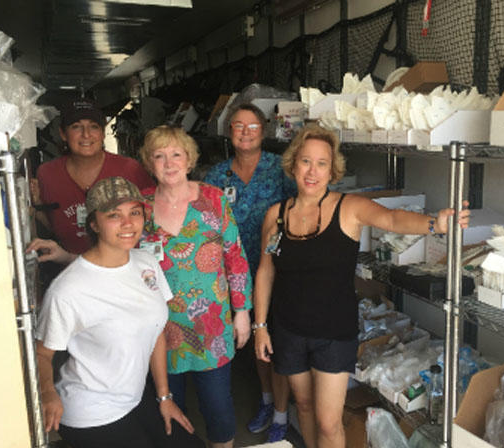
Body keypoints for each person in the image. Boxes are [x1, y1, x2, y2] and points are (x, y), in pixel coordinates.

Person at [252, 124, 471, 448]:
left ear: (333, 170)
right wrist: (260, 326)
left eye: (321, 163)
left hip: (333, 333)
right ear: (293, 164)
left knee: (329, 422)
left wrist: (434, 224)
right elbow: (265, 272)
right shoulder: (276, 216)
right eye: (306, 161)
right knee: (306, 407)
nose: (312, 171)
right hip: (289, 330)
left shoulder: (348, 208)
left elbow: (393, 219)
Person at [34, 176, 203, 448]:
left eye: (135, 212)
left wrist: (164, 397)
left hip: (135, 398)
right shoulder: (69, 289)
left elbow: (156, 330)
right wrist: (47, 392)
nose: (128, 223)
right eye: (114, 215)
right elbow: (42, 353)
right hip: (92, 411)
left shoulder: (146, 263)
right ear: (93, 223)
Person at [138, 125, 252, 448]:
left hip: (211, 326)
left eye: (176, 154)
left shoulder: (214, 200)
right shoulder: (140, 207)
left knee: (218, 406)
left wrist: (242, 312)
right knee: (170, 409)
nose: (169, 163)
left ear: (189, 160)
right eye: (159, 156)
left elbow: (236, 258)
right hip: (159, 328)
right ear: (149, 163)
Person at [203, 103, 296, 443]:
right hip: (231, 276)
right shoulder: (216, 177)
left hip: (276, 270)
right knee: (254, 343)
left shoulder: (282, 170)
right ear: (229, 132)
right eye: (238, 125)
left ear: (264, 131)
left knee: (277, 343)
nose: (245, 131)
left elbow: (298, 214)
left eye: (253, 126)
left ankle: (282, 416)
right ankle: (266, 401)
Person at [28, 98, 154, 264]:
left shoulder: (130, 169)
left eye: (94, 126)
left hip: (126, 270)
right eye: (76, 127)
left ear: (102, 133)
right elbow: (55, 226)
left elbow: (152, 224)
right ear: (63, 134)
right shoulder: (48, 174)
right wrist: (36, 209)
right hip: (71, 271)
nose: (86, 134)